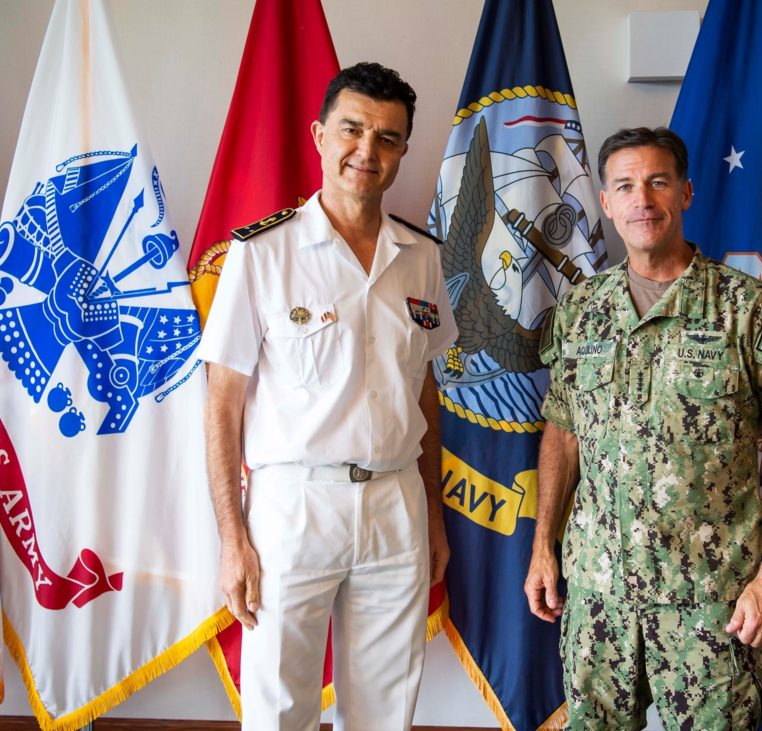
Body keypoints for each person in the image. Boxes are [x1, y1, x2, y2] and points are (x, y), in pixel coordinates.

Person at [523, 127, 762, 730]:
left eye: (658, 182)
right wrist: (542, 548)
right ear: (605, 202)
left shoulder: (751, 310)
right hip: (599, 594)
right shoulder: (580, 311)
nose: (642, 200)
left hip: (712, 600)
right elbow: (563, 431)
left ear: (686, 193)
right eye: (625, 186)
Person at [197, 62, 457, 731]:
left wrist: (432, 510)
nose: (367, 150)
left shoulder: (421, 257)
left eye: (387, 138)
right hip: (294, 505)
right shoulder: (262, 253)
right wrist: (232, 539)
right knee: (279, 707)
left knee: (385, 710)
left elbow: (424, 391)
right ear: (319, 135)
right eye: (352, 129)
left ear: (403, 150)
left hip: (396, 502)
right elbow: (223, 401)